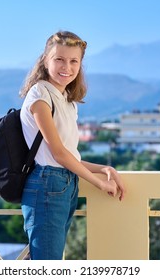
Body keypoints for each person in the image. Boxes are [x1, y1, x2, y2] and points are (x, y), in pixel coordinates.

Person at [19, 31, 126, 260]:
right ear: (45, 60)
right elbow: (58, 154)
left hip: (65, 184)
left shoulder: (65, 98)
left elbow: (69, 156)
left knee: (48, 259)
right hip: (47, 184)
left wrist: (105, 169)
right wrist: (98, 182)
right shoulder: (40, 95)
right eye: (59, 59)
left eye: (73, 61)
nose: (66, 66)